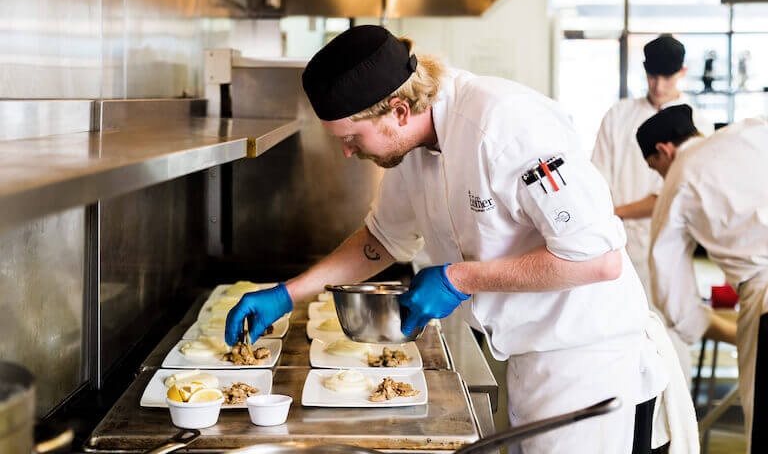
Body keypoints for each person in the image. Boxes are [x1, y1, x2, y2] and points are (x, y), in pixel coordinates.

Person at [225, 25, 682, 453]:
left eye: (352, 137)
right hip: (529, 359)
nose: (347, 151)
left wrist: (459, 278)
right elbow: (381, 240)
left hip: (590, 363)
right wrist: (289, 294)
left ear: (398, 111)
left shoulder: (506, 124)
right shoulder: (410, 146)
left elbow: (598, 259)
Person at [637, 105, 767, 451]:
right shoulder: (754, 128)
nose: (661, 177)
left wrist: (731, 331)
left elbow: (672, 296)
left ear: (664, 151)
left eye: (656, 168)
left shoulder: (680, 177)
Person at [592, 35, 710, 381]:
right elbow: (598, 181)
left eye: (668, 78)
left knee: (669, 340)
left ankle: (675, 430)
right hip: (618, 245)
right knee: (619, 340)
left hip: (669, 246)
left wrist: (616, 213)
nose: (659, 86)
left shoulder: (695, 121)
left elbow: (673, 196)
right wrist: (608, 225)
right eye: (652, 77)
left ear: (682, 73)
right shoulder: (618, 115)